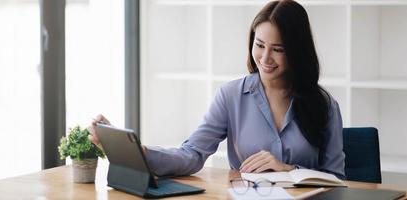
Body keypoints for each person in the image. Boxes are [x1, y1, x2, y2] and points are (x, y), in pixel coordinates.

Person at [88, 0, 345, 179]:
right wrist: (142, 152)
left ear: (297, 52)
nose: (265, 57)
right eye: (259, 45)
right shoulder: (231, 96)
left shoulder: (325, 106)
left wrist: (289, 169)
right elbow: (193, 154)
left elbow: (337, 179)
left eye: (278, 49)